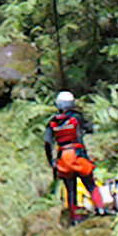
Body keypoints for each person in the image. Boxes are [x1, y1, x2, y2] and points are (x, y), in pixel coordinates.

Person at [44, 90, 104, 225]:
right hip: (79, 156)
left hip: (63, 160)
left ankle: (75, 218)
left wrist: (51, 162)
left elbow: (48, 143)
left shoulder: (52, 122)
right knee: (90, 184)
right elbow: (90, 128)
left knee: (70, 190)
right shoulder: (77, 117)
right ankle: (100, 209)